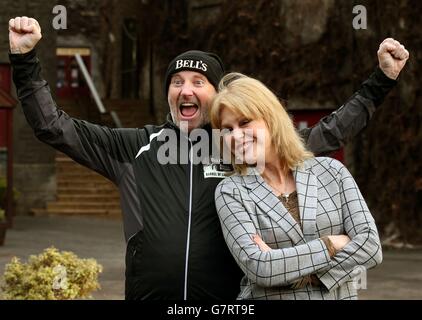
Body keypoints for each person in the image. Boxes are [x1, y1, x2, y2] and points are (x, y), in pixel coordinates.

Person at [8, 16, 408, 300]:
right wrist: (25, 62)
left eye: (199, 82)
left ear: (218, 97)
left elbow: (329, 132)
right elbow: (55, 128)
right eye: (177, 82)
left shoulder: (241, 146)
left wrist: (381, 82)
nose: (186, 90)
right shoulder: (135, 147)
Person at [211, 73, 383, 299]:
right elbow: (260, 268)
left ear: (271, 119)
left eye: (244, 122)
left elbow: (371, 247)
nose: (236, 136)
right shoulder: (231, 191)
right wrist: (329, 244)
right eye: (227, 129)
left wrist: (293, 270)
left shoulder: (332, 171)